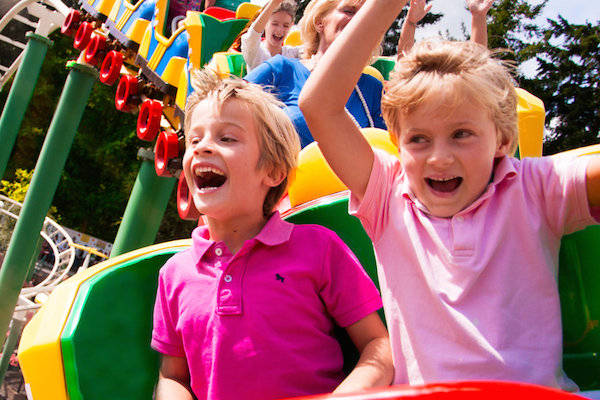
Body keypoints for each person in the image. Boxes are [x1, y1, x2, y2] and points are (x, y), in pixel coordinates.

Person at [299, 0, 600, 391]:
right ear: (398, 145)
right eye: (419, 140)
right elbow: (318, 104)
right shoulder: (388, 195)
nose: (439, 158)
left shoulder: (536, 187)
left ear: (502, 139)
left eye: (461, 134)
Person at [152, 68, 393, 400]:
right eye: (195, 139)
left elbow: (379, 346)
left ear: (273, 171)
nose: (203, 148)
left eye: (227, 138)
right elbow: (172, 375)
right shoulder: (174, 274)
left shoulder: (317, 248)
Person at [245, 0, 386, 148]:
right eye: (349, 11)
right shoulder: (281, 69)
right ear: (319, 22)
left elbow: (387, 154)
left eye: (365, 16)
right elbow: (226, 107)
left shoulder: (372, 88)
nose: (358, 20)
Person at [397, 0, 494, 58]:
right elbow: (404, 64)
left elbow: (478, 65)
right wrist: (410, 22)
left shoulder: (461, 86)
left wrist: (479, 17)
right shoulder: (417, 84)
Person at [241, 0, 301, 71]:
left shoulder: (293, 54)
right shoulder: (256, 52)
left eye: (286, 26)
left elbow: (312, 49)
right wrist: (274, 3)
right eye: (275, 24)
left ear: (291, 26)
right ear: (265, 23)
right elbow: (252, 36)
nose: (280, 30)